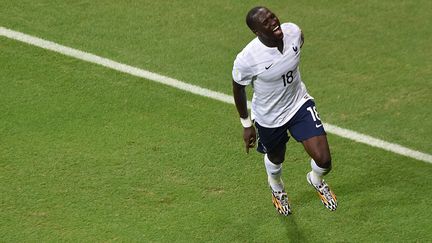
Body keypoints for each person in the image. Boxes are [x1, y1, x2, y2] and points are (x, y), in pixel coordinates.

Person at [231, 6, 337, 216]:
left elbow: (296, 49)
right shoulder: (247, 59)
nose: (273, 21)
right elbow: (238, 87)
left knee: (324, 160)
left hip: (299, 103)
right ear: (257, 32)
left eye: (272, 16)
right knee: (277, 157)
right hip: (270, 117)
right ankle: (276, 185)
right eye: (266, 22)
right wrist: (246, 124)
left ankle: (315, 179)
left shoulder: (293, 32)